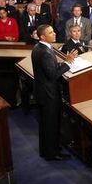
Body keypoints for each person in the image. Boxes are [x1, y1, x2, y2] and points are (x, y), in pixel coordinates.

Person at [31, 24, 76, 161]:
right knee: (50, 124)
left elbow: (49, 68)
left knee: (46, 124)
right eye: (51, 32)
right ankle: (53, 153)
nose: (55, 33)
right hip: (49, 94)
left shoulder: (39, 47)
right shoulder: (44, 52)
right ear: (43, 37)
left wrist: (63, 62)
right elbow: (52, 75)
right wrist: (67, 64)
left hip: (43, 92)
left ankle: (47, 150)